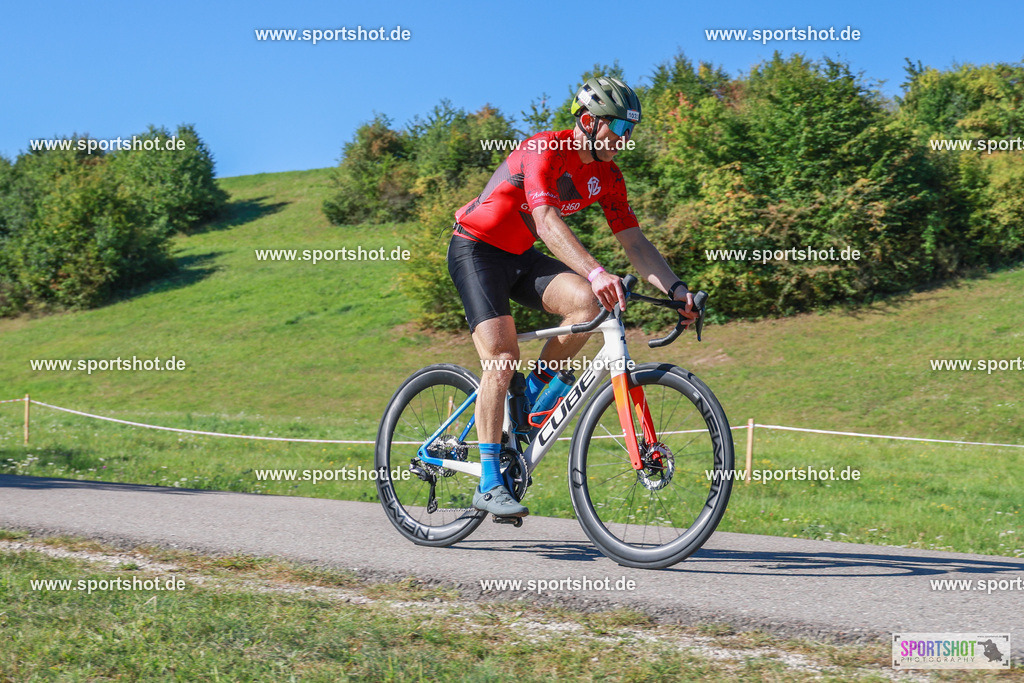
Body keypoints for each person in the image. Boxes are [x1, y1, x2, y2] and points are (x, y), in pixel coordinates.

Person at [447, 76, 698, 518]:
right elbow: (545, 221)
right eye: (618, 130)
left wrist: (678, 290)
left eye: (630, 133)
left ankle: (533, 397)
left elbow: (635, 244)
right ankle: (488, 481)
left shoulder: (607, 175)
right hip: (476, 250)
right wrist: (596, 270)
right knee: (502, 359)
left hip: (520, 255)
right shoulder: (544, 149)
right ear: (587, 121)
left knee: (588, 302)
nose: (624, 141)